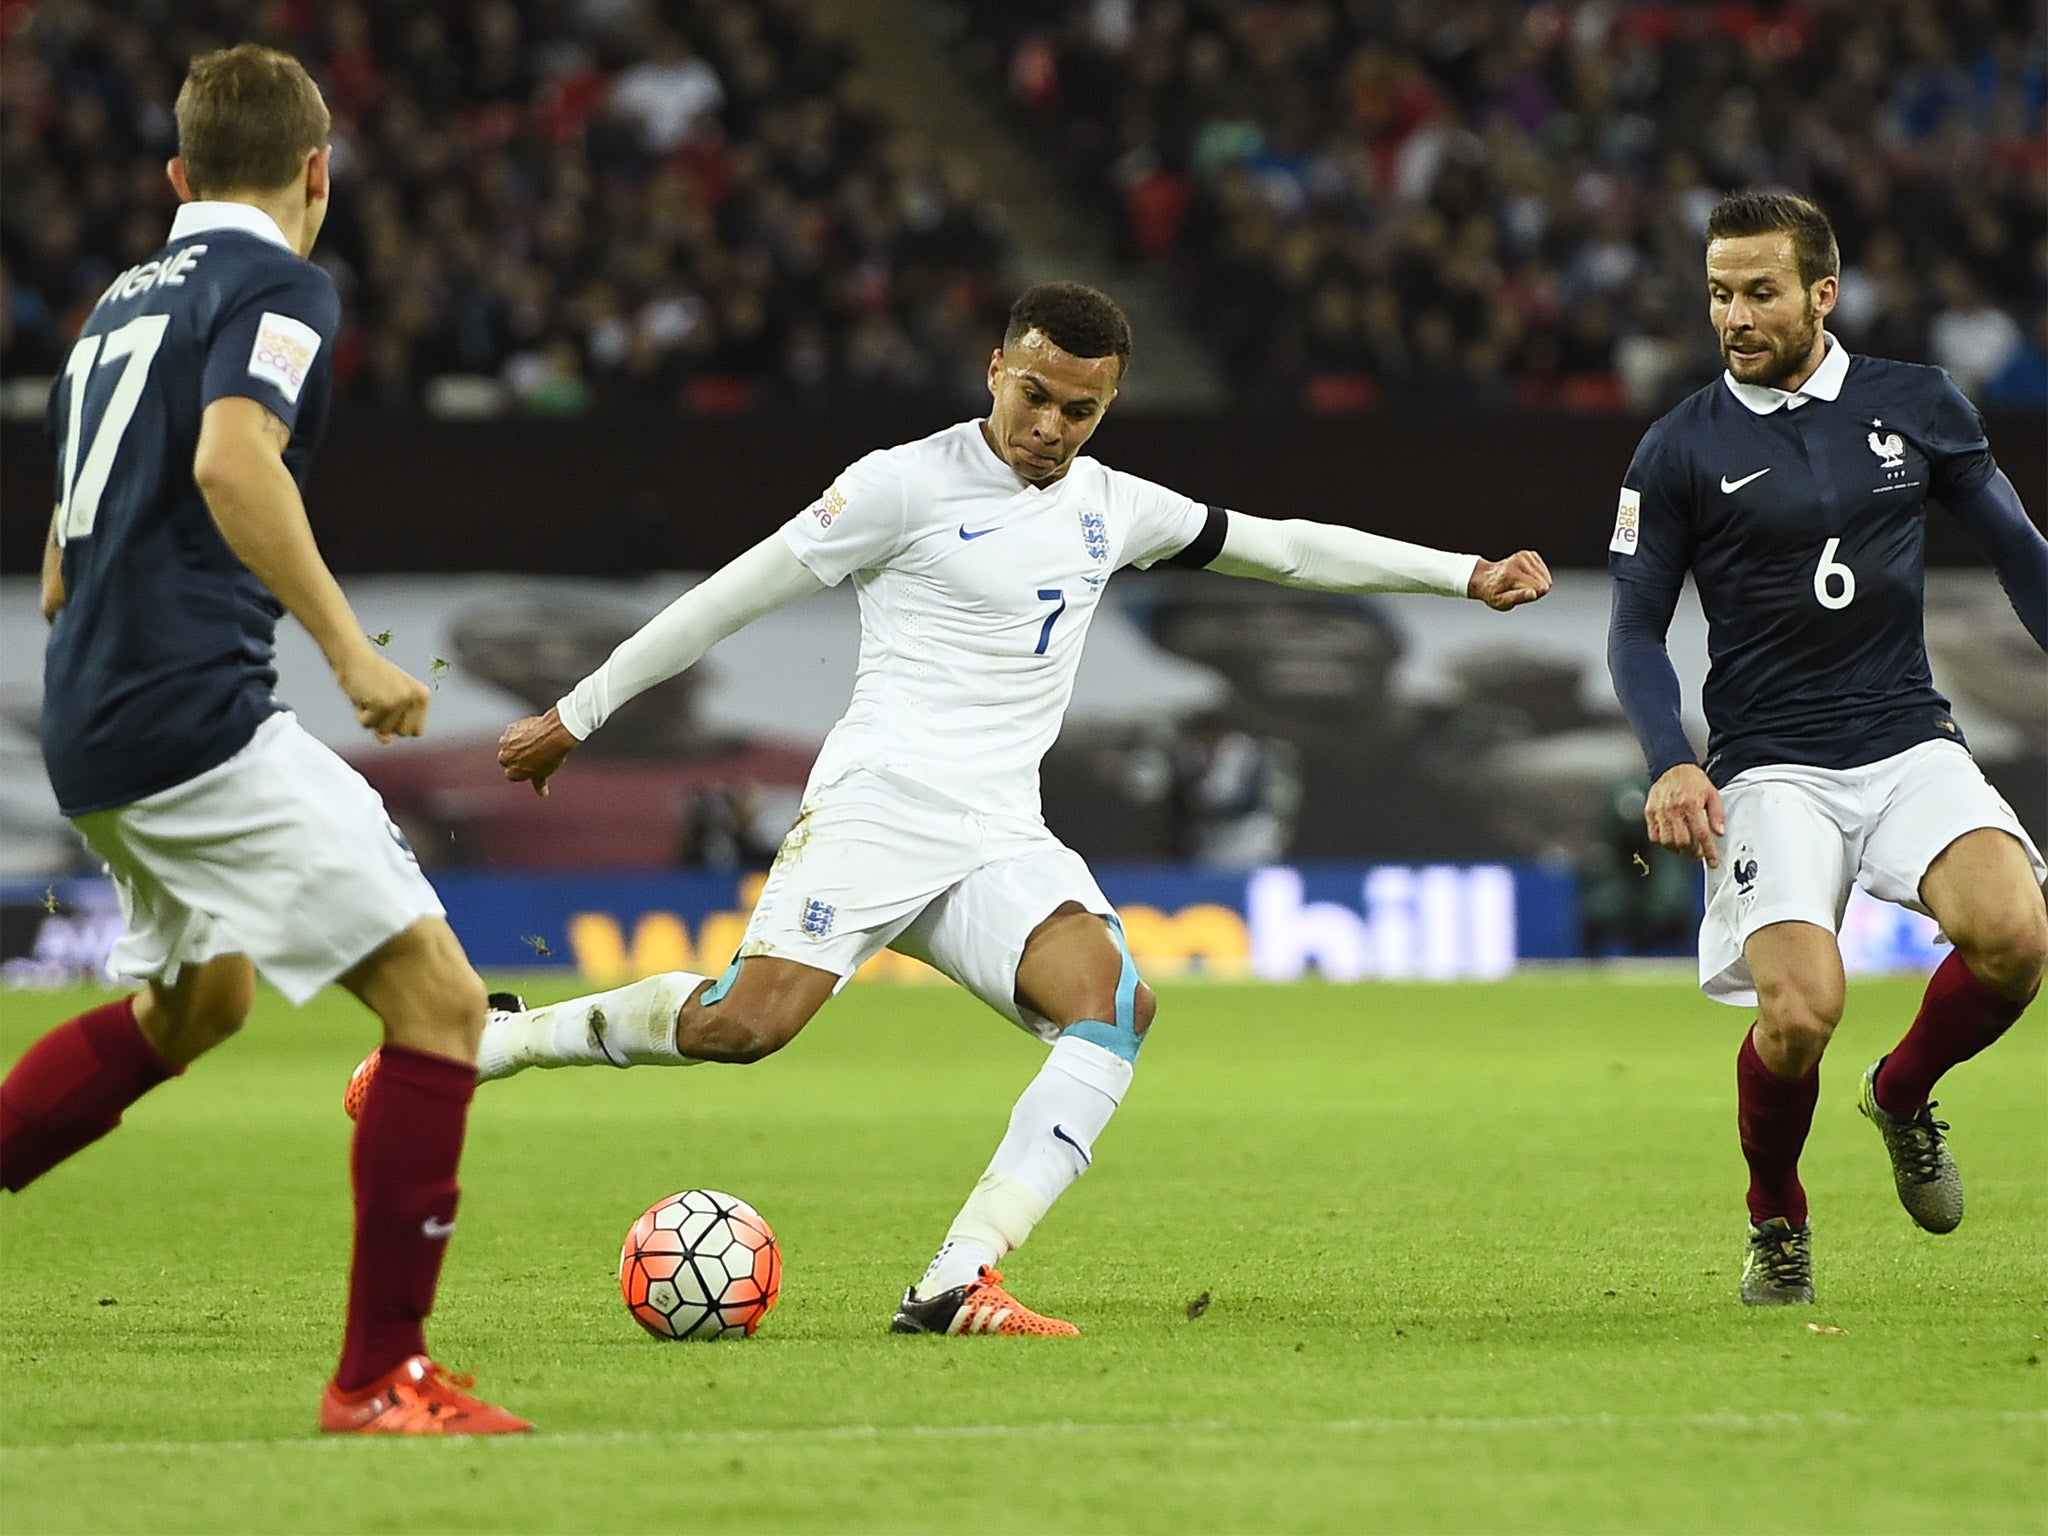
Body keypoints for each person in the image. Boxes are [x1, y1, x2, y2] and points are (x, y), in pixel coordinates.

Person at [351, 281, 1553, 1335]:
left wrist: (1462, 573)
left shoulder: (1109, 505)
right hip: (880, 808)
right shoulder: (899, 487)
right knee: (741, 1027)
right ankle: (490, 1040)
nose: (1049, 427)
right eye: (1033, 395)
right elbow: (730, 596)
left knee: (1116, 1003)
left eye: (1078, 411)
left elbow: (1279, 549)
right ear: (996, 366)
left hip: (996, 833)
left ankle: (955, 1280)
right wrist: (579, 712)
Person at [0, 46, 527, 1433]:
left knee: (201, 1003)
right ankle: (379, 1381)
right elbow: (235, 461)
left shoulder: (108, 314)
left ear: (176, 179)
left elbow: (62, 566)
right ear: (317, 172)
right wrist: (352, 651)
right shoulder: (281, 284)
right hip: (196, 723)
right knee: (442, 1009)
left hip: (93, 720)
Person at [1606, 191, 2048, 1306]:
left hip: (1904, 737)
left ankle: (1899, 1094)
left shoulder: (1919, 406)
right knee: (1796, 1016)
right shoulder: (1676, 449)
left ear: (1820, 293)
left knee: (2013, 938)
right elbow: (1630, 627)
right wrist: (1670, 756)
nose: (1733, 315)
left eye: (1757, 291)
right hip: (1768, 767)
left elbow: (2020, 557)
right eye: (1717, 293)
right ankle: (1776, 1219)